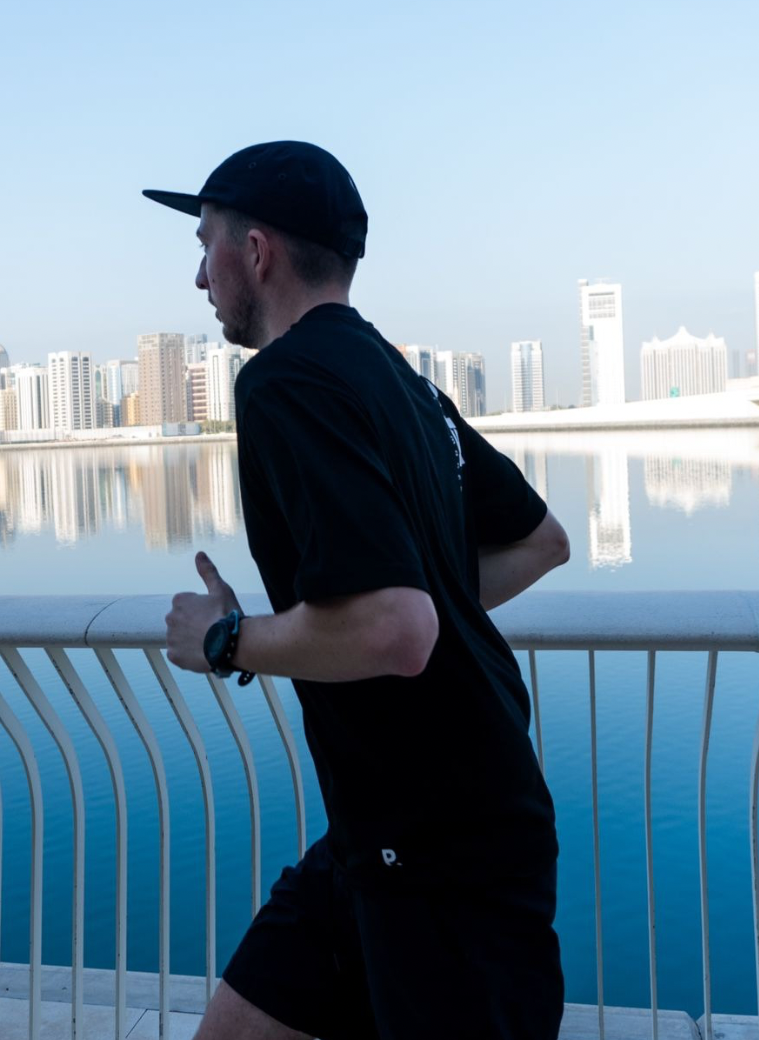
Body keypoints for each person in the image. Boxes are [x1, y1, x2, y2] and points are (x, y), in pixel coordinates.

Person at [146, 141, 570, 1040]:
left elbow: (397, 631)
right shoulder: (405, 384)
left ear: (255, 252)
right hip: (384, 835)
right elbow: (541, 542)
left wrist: (227, 641)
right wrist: (422, 601)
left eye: (205, 245)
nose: (197, 277)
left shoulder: (285, 382)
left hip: (443, 855)